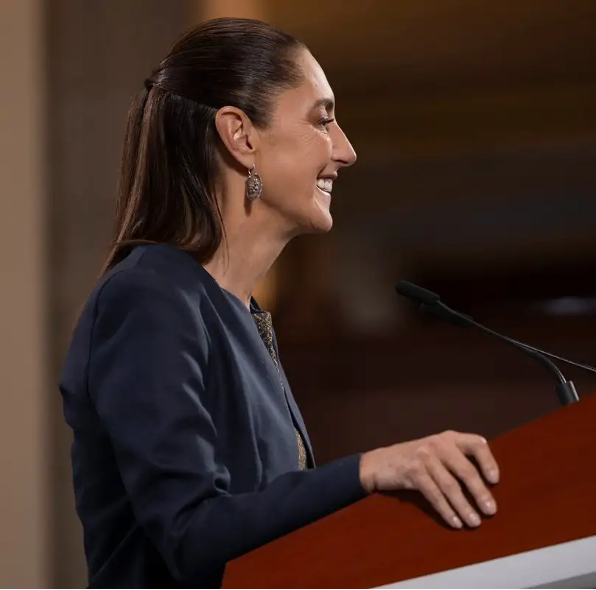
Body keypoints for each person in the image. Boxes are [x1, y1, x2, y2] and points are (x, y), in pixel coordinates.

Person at [58, 17, 500, 590]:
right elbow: (192, 534)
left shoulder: (238, 312)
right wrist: (371, 470)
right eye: (323, 118)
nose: (347, 150)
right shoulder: (150, 296)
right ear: (241, 136)